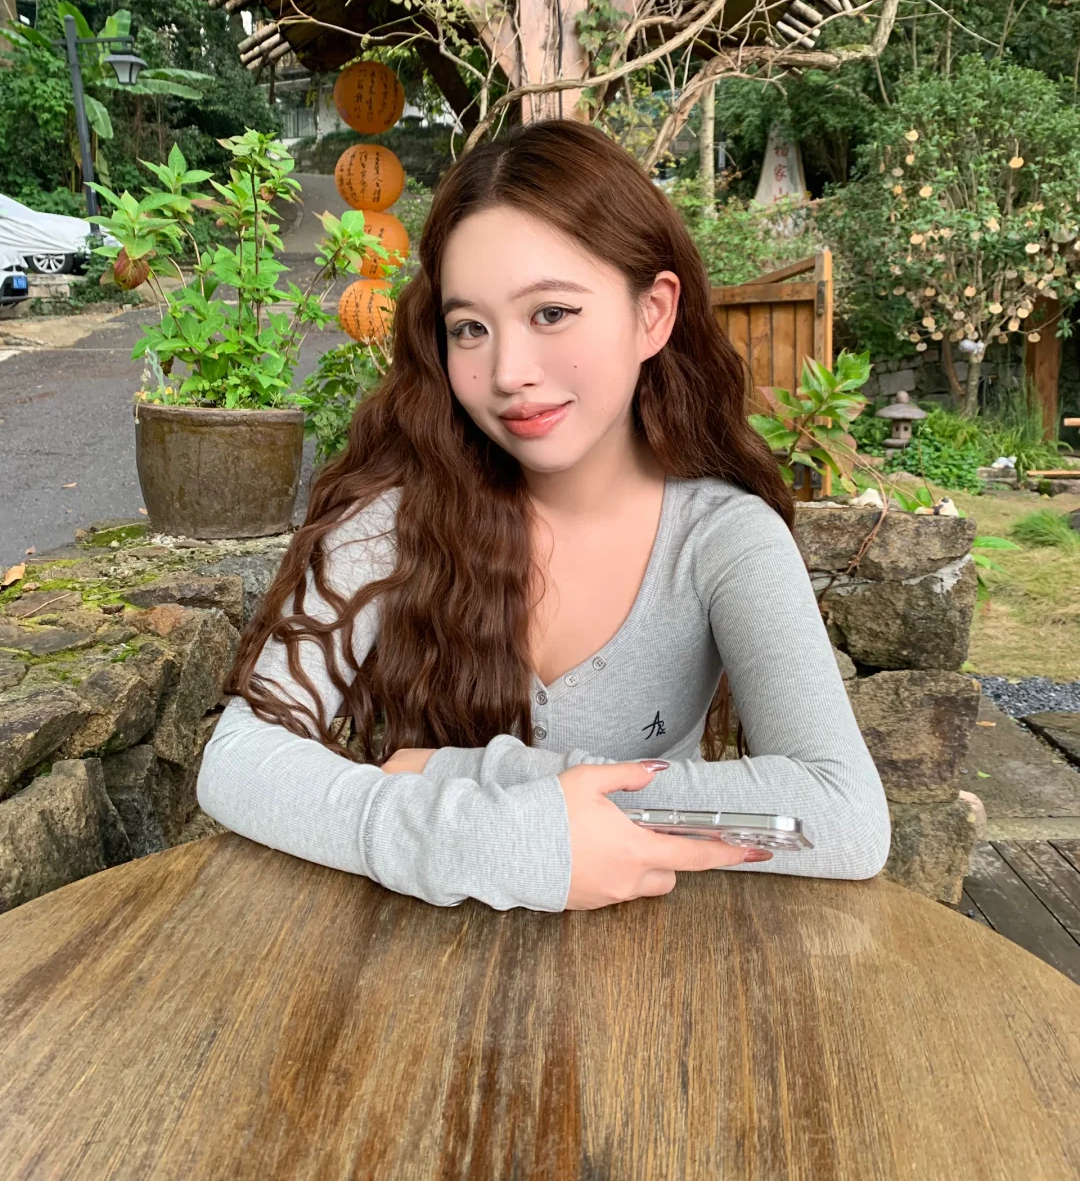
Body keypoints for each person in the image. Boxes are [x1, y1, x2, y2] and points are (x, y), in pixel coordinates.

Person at [197, 119, 890, 912]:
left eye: (552, 313)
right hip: (415, 970)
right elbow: (238, 760)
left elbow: (840, 814)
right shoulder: (394, 520)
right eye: (470, 329)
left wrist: (466, 777)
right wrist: (492, 840)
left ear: (653, 313)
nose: (508, 373)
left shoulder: (722, 541)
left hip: (655, 969)